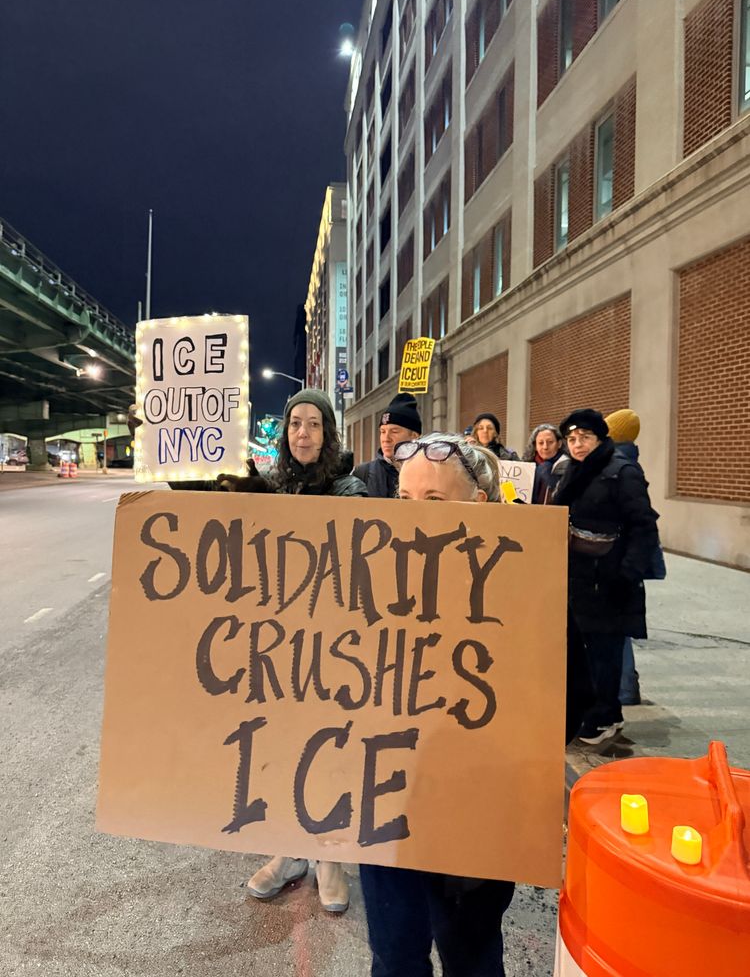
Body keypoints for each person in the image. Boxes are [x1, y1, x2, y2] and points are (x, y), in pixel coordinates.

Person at [359, 432, 516, 977]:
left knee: (470, 953)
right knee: (395, 955)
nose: (416, 518)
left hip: (472, 819)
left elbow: (562, 701)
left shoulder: (521, 586)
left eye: (434, 502)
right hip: (385, 810)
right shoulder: (367, 579)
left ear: (478, 506)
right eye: (405, 501)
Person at [245, 389, 367, 912]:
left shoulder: (349, 489)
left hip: (334, 648)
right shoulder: (268, 487)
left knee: (331, 750)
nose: (302, 433)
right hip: (277, 648)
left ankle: (331, 860)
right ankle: (289, 853)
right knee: (281, 749)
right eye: (295, 424)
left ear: (328, 432)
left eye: (313, 424)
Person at [553, 409, 659, 746]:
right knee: (582, 651)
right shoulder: (572, 471)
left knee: (605, 652)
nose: (577, 444)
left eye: (584, 437)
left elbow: (643, 526)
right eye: (571, 439)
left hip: (609, 579)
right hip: (578, 578)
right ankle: (588, 711)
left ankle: (606, 716)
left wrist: (626, 574)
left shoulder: (621, 472)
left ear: (600, 438)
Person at [604, 408, 666, 706]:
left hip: (618, 562)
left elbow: (640, 522)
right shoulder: (626, 462)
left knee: (616, 630)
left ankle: (625, 689)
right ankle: (625, 688)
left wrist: (627, 568)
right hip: (622, 562)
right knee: (618, 629)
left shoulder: (621, 467)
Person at [353, 392, 422, 497]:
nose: (386, 439)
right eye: (383, 431)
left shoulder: (427, 473)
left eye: (394, 431)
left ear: (414, 436)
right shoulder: (362, 474)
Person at [522, 423, 565, 504]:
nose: (545, 447)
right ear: (535, 446)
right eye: (541, 443)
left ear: (559, 444)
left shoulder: (569, 467)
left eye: (550, 442)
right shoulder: (526, 466)